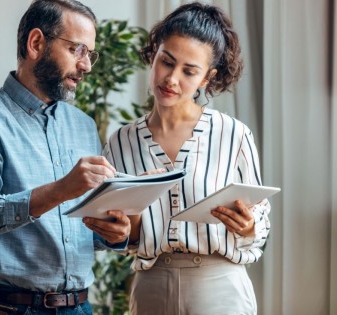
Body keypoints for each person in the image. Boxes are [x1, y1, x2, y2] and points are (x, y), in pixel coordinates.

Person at [0, 0, 131, 314]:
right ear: (36, 43)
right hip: (8, 308)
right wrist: (61, 189)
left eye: (90, 54)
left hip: (81, 307)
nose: (87, 66)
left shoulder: (83, 125)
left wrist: (114, 233)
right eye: (77, 50)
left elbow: (77, 231)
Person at [104, 2, 271, 314]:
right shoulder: (121, 142)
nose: (171, 79)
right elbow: (126, 236)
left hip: (220, 287)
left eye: (189, 71)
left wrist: (248, 227)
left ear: (207, 77)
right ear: (153, 53)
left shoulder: (233, 135)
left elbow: (260, 224)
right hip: (150, 287)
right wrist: (124, 228)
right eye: (166, 62)